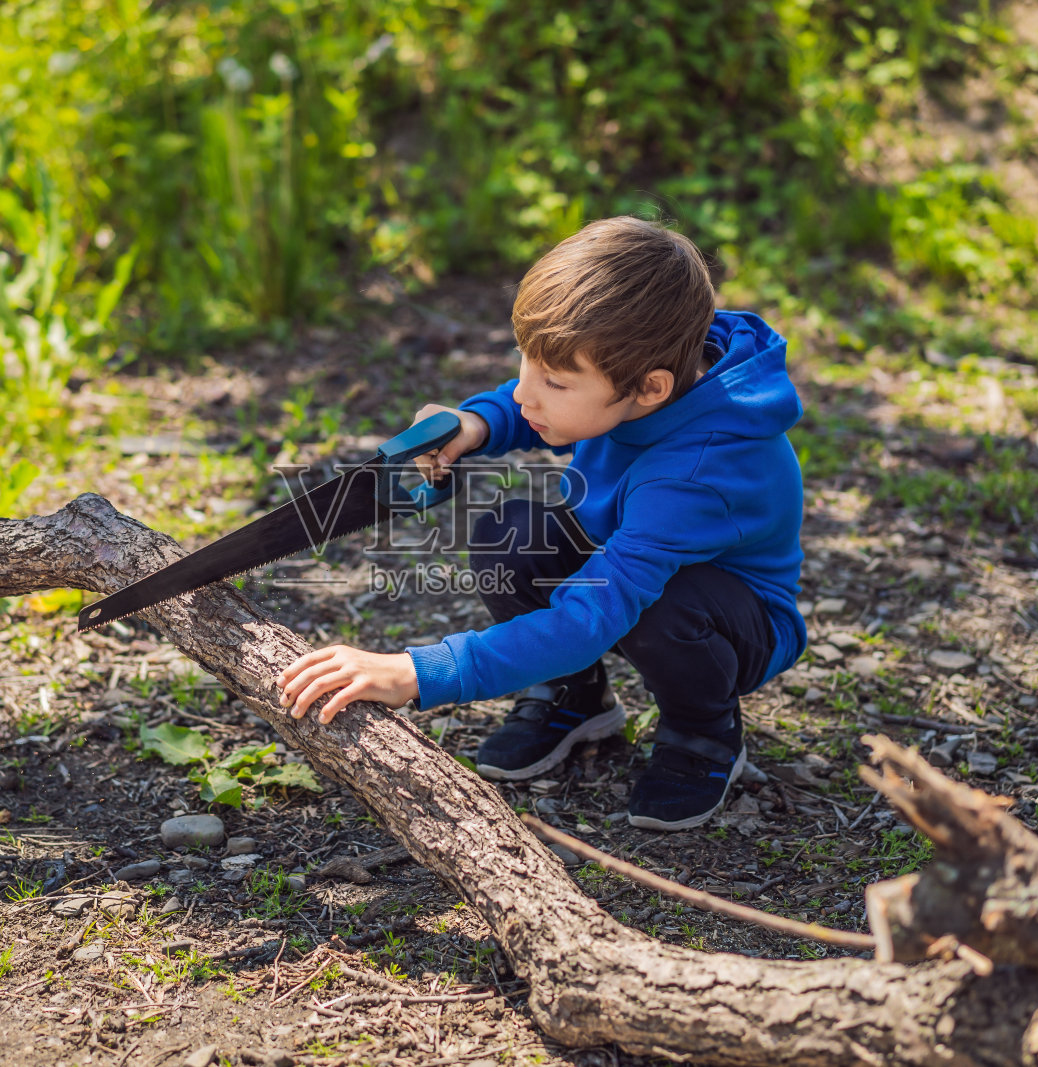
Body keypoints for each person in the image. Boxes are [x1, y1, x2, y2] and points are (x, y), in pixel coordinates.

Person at [276, 216, 806, 830]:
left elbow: (591, 616)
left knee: (665, 606)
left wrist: (414, 672)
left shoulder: (696, 473)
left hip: (732, 622)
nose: (527, 393)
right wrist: (478, 423)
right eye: (524, 363)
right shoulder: (649, 365)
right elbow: (535, 404)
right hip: (625, 556)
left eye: (553, 381)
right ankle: (574, 696)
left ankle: (704, 731)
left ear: (650, 389)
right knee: (511, 533)